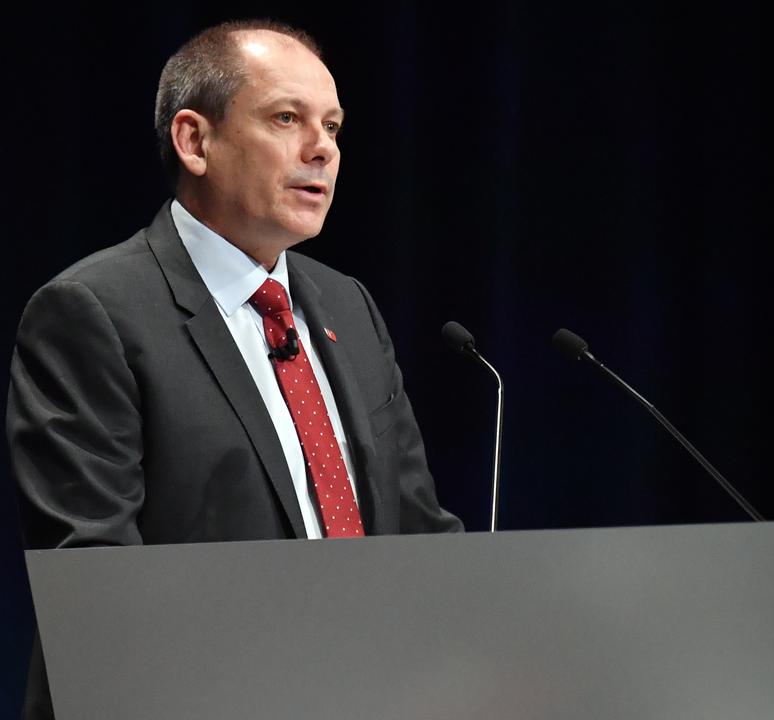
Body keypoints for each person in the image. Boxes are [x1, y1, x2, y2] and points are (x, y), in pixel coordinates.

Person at [7, 19, 462, 718]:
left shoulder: (348, 304)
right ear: (195, 140)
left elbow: (418, 533)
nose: (323, 151)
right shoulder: (92, 313)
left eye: (334, 128)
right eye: (287, 119)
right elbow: (97, 580)